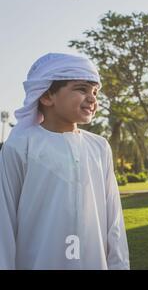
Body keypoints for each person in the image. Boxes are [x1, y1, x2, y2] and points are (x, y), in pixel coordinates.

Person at [0, 53, 129, 269]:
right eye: (81, 89)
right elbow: (3, 222)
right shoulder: (20, 145)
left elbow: (113, 221)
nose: (92, 98)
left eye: (95, 92)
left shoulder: (99, 147)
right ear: (46, 96)